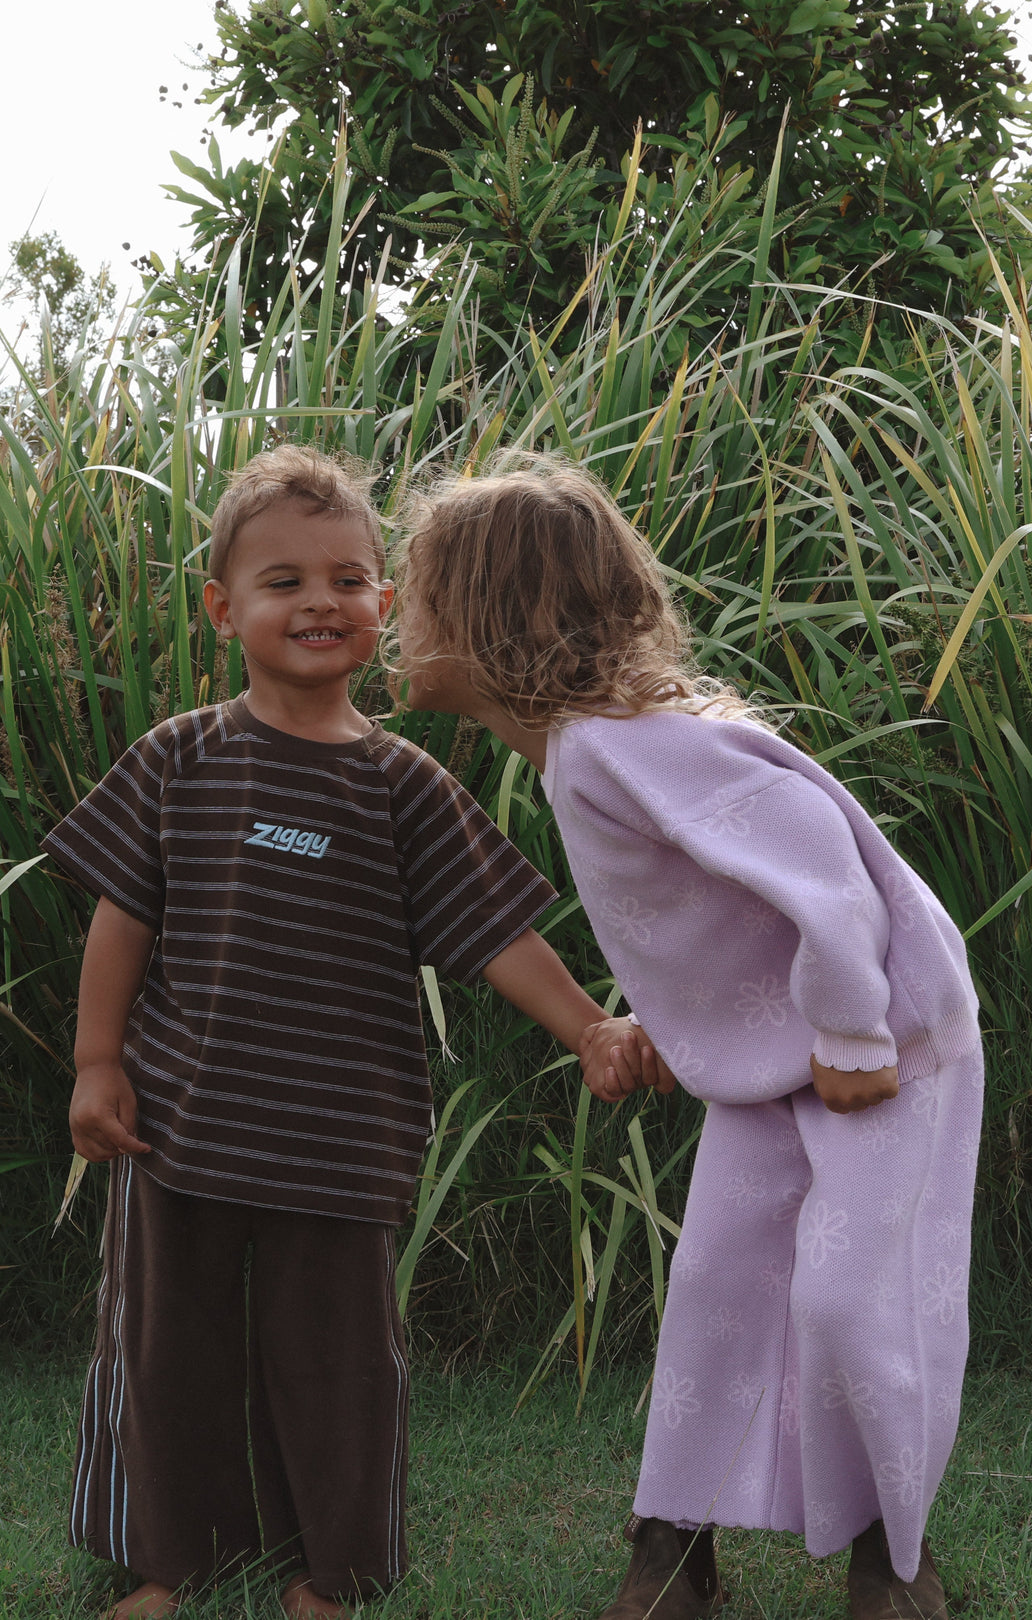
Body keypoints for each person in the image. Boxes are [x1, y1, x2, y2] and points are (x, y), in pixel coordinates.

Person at [41, 446, 652, 1620]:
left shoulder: (405, 787)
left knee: (339, 1368)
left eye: (349, 578)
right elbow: (121, 919)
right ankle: (174, 1563)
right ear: (224, 609)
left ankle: (336, 1574)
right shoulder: (180, 758)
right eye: (282, 581)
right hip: (181, 1125)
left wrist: (586, 1029)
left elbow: (495, 936)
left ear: (384, 603)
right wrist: (95, 1062)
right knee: (169, 1353)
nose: (319, 601)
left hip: (342, 1141)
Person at [393, 455, 983, 1620]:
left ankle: (893, 1561)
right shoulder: (585, 750)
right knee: (717, 1282)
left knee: (854, 1300)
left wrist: (853, 1032)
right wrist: (678, 1023)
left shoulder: (622, 745)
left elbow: (818, 860)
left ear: (486, 616)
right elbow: (706, 915)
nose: (393, 627)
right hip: (781, 1064)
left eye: (413, 602)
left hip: (889, 1049)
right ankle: (671, 1556)